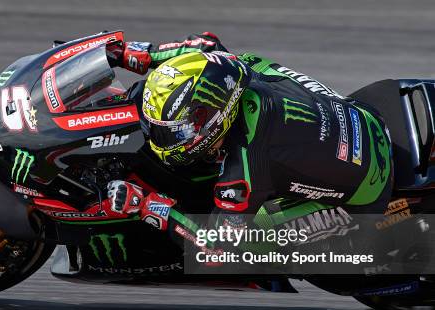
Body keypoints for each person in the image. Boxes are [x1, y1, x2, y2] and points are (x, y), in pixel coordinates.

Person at [104, 32, 393, 246]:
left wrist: (150, 206)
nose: (165, 139)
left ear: (212, 119)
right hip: (361, 117)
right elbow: (204, 46)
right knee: (262, 66)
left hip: (365, 193)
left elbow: (216, 246)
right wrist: (139, 55)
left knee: (249, 241)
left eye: (176, 131)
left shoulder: (242, 169)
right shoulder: (234, 68)